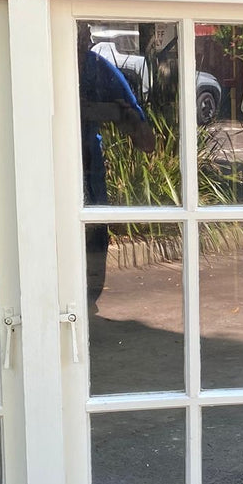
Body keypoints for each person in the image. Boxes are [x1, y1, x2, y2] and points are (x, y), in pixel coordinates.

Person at [79, 28, 156, 303]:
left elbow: (147, 141)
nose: (77, 41)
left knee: (93, 253)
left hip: (90, 185)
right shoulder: (29, 64)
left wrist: (119, 114)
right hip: (40, 188)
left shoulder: (96, 68)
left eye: (81, 34)